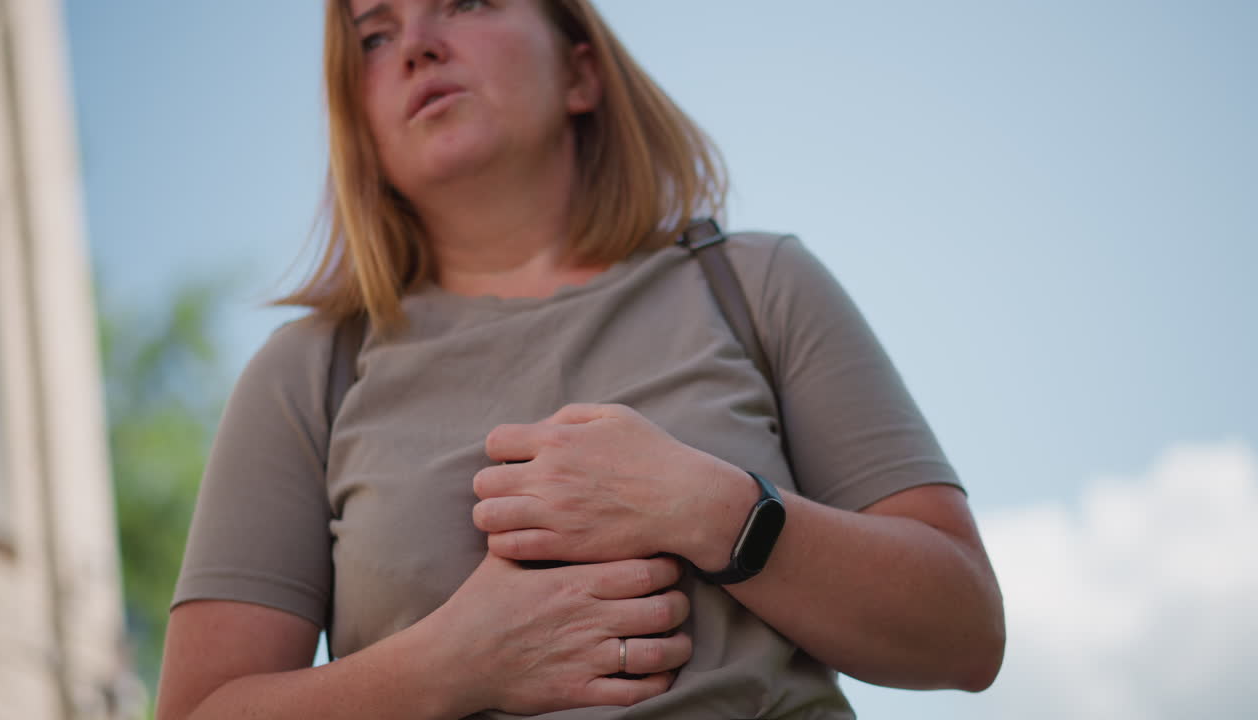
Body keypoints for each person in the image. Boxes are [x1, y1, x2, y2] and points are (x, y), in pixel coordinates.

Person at [156, 1, 1005, 718]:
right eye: (373, 34)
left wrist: (712, 509)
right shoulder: (308, 370)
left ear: (580, 74)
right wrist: (450, 664)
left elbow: (965, 631)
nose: (415, 44)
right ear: (363, 125)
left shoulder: (757, 283)